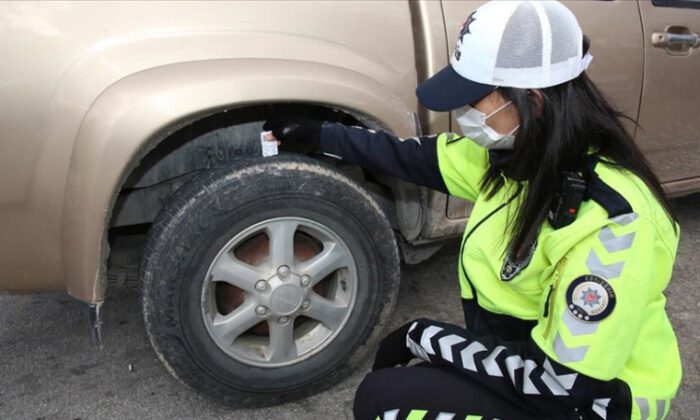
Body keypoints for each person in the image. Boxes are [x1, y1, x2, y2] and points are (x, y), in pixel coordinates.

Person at [263, 1, 681, 419]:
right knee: (397, 389)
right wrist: (321, 134)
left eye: (472, 98)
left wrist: (427, 337)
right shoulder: (523, 155)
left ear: (531, 102)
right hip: (531, 355)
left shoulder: (614, 224)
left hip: (594, 398)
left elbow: (563, 383)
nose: (461, 114)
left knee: (387, 402)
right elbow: (420, 159)